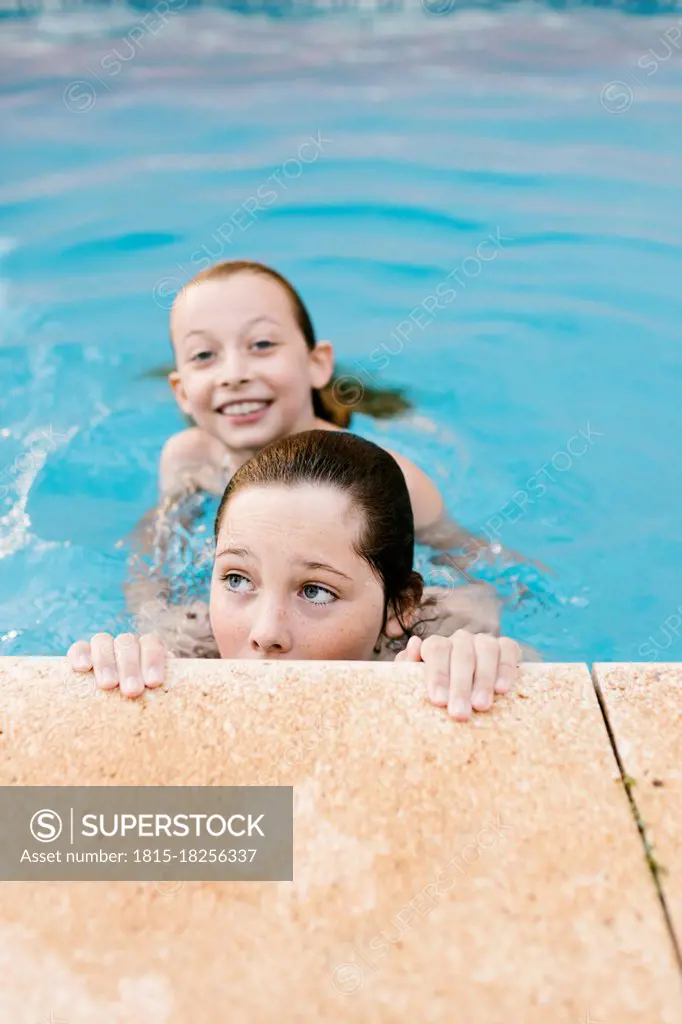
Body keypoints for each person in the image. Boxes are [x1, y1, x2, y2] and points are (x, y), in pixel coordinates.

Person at [71, 431, 522, 721]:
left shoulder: (437, 640)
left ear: (400, 607)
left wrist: (479, 670)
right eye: (236, 580)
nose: (265, 634)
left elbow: (518, 676)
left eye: (315, 591)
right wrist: (118, 664)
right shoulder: (190, 644)